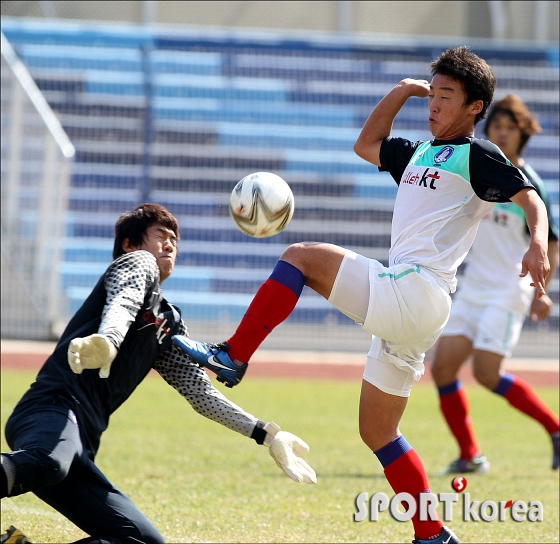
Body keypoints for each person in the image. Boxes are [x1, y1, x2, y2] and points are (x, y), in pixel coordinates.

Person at [172, 46, 551, 544]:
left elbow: (531, 198)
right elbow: (366, 144)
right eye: (432, 94)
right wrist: (401, 91)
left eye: (446, 96)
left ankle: (233, 355)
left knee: (302, 257)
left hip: (417, 290)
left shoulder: (477, 155)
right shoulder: (418, 152)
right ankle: (432, 535)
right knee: (378, 432)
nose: (434, 105)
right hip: (415, 305)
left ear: (475, 106)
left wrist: (538, 247)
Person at [0, 204, 316, 544]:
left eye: (174, 241)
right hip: (51, 411)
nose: (169, 245)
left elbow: (199, 391)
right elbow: (125, 298)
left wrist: (264, 433)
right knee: (49, 461)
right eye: (160, 236)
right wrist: (109, 339)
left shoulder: (168, 322)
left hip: (78, 445)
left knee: (143, 541)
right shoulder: (137, 263)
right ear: (129, 244)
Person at [430, 94, 560, 475]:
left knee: (486, 374)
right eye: (497, 127)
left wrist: (542, 291)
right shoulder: (480, 171)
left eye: (510, 128)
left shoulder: (530, 183)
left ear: (523, 135)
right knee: (443, 369)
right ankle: (470, 455)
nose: (502, 133)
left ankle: (555, 429)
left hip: (509, 289)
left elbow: (551, 241)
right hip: (474, 288)